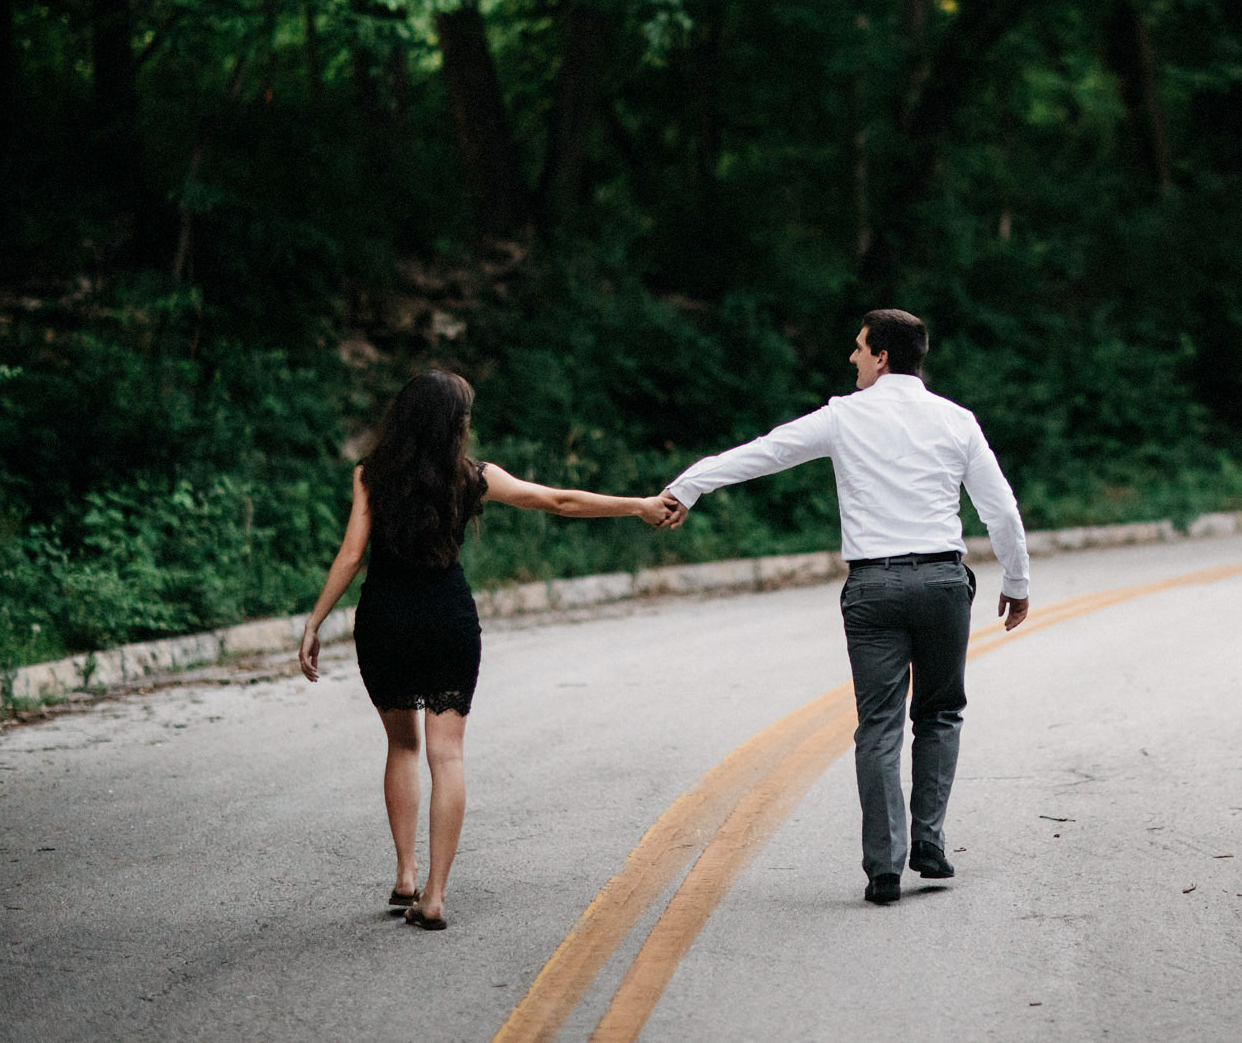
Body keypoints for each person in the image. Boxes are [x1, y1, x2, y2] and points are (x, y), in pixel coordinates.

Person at [656, 309, 1030, 905]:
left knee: (878, 724)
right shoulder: (957, 422)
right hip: (940, 584)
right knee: (939, 713)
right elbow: (1001, 510)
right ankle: (929, 844)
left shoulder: (843, 417)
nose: (852, 359)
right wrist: (1017, 578)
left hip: (873, 587)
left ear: (882, 356)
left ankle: (884, 868)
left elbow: (765, 452)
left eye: (859, 348)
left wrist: (687, 486)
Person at [298, 369, 671, 931]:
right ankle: (435, 897)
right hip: (448, 619)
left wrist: (314, 621)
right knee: (446, 755)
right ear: (455, 425)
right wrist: (639, 504)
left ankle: (405, 874)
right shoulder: (473, 477)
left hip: (387, 620)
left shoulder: (371, 475)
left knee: (402, 746)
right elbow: (560, 501)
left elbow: (351, 557)